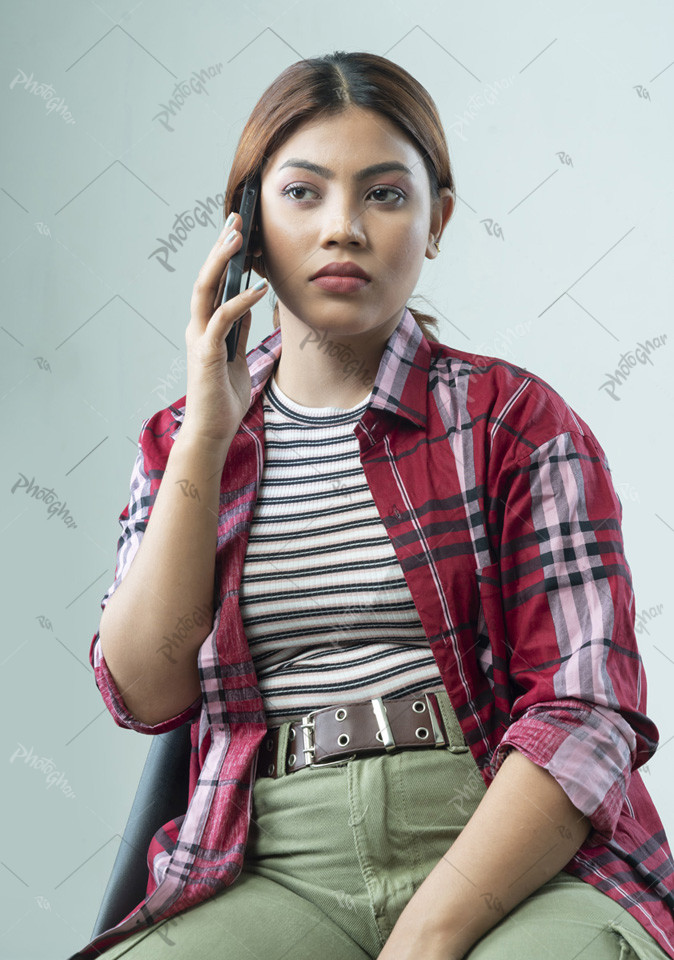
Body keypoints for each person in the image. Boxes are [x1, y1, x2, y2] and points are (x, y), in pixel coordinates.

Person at [70, 51, 674, 960]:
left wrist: (428, 938)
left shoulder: (515, 423)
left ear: (438, 222)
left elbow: (586, 711)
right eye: (303, 193)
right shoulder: (179, 440)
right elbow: (146, 692)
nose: (343, 227)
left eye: (386, 195)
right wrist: (207, 430)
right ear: (248, 227)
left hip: (506, 843)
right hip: (274, 858)